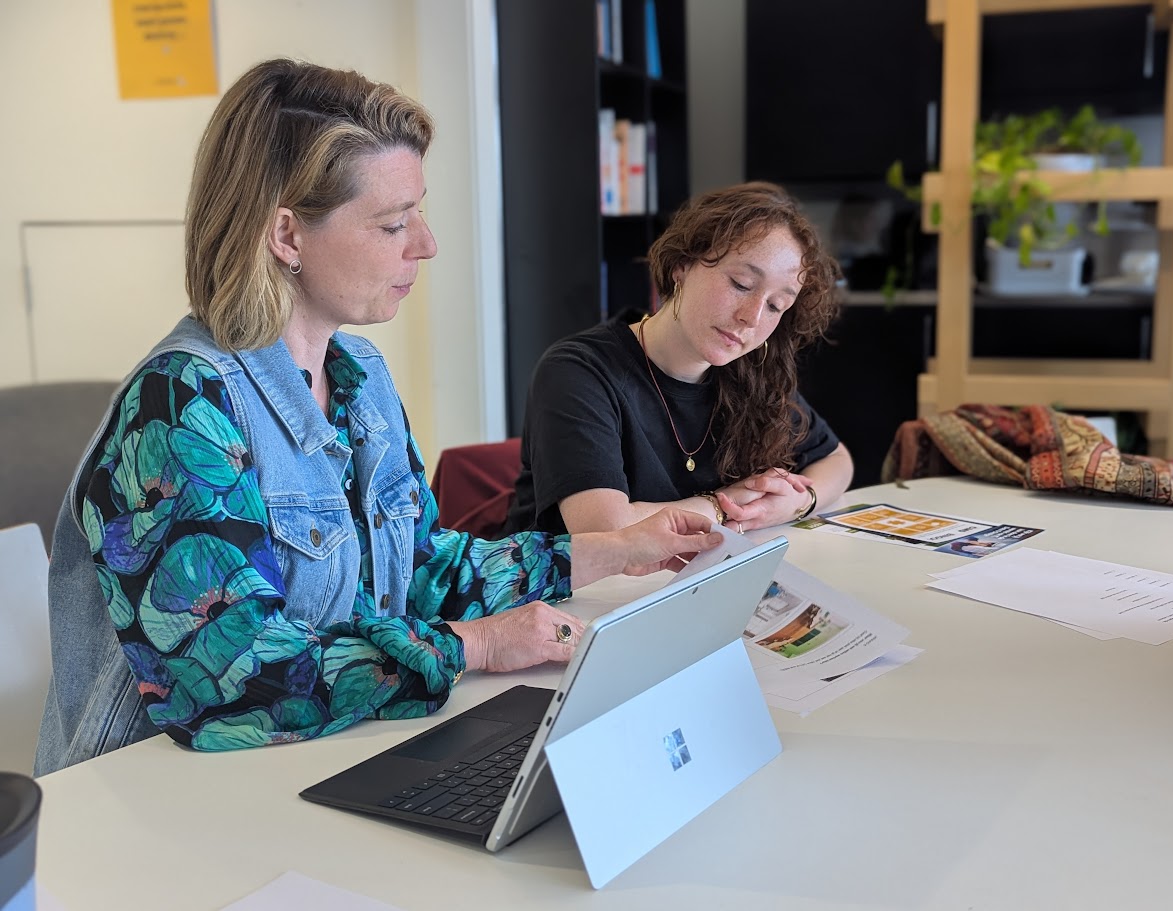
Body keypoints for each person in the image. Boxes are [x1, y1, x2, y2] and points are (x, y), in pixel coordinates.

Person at [34, 59, 721, 776]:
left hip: (314, 759)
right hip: (156, 796)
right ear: (287, 236)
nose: (425, 244)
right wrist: (478, 644)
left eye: (416, 214)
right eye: (394, 222)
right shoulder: (180, 403)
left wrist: (615, 550)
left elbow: (420, 568)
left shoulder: (357, 374)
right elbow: (232, 684)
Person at [505, 182, 854, 537]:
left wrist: (797, 502)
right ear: (682, 266)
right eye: (741, 284)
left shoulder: (752, 374)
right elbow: (605, 530)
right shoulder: (578, 371)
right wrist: (723, 505)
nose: (752, 317)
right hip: (569, 574)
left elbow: (837, 460)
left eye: (776, 305)